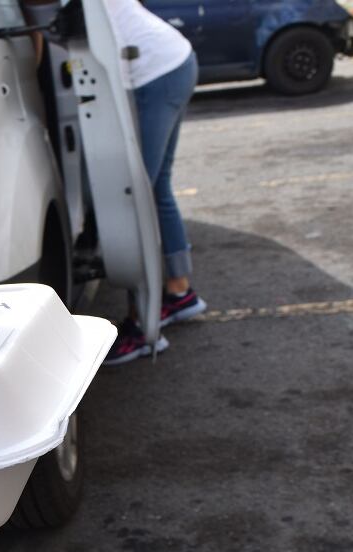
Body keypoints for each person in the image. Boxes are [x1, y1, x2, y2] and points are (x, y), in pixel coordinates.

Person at [102, 0, 209, 365]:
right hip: (173, 59)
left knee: (137, 196)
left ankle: (143, 324)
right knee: (156, 185)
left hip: (157, 71)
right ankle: (179, 293)